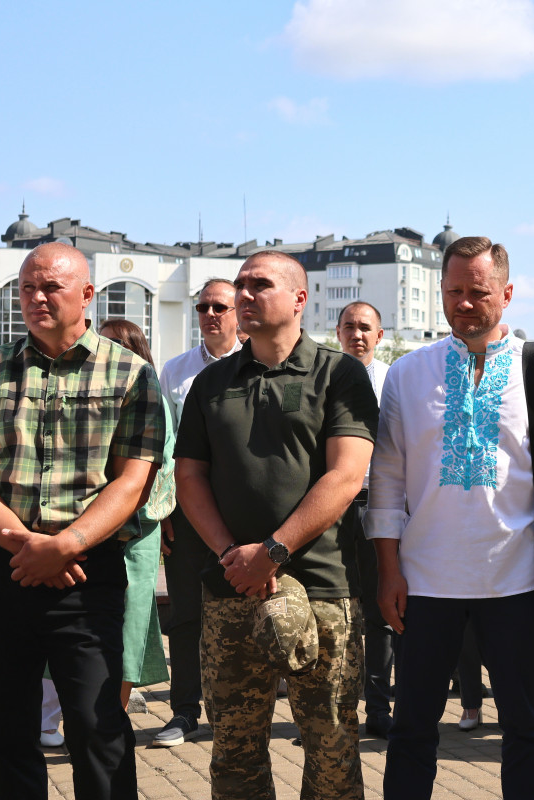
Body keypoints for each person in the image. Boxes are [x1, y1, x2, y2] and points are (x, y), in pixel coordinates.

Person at [367, 235, 534, 799]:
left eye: (478, 291)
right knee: (412, 727)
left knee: (526, 726)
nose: (464, 303)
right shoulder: (407, 374)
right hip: (425, 582)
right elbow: (387, 480)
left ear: (507, 293)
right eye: (453, 292)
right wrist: (389, 569)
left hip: (516, 581)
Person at [0, 242, 164, 799]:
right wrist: (29, 546)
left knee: (98, 726)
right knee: (3, 729)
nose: (36, 298)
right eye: (27, 288)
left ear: (87, 294)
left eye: (51, 287)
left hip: (86, 572)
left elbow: (132, 481)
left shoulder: (131, 374)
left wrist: (66, 544)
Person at [174, 250, 377, 799]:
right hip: (231, 589)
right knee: (234, 757)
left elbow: (345, 475)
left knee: (332, 755)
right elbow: (189, 476)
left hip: (323, 589)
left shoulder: (339, 373)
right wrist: (231, 556)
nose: (243, 294)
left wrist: (272, 552)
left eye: (259, 284)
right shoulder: (211, 383)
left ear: (299, 299)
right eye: (239, 284)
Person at [153, 277, 242, 747]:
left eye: (219, 307)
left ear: (238, 312)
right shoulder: (176, 370)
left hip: (242, 514)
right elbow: (163, 446)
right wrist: (165, 509)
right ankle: (185, 710)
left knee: (241, 612)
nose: (209, 314)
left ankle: (238, 712)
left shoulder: (255, 366)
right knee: (186, 613)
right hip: (187, 512)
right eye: (203, 306)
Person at [98, 320, 174, 709]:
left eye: (115, 343)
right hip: (91, 528)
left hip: (137, 530)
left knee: (132, 622)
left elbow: (165, 466)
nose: (105, 350)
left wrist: (159, 512)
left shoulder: (151, 396)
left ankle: (116, 713)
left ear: (134, 349)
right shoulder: (94, 392)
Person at [335, 300, 395, 738]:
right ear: (338, 332)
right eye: (349, 327)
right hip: (332, 507)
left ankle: (378, 708)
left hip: (381, 504)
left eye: (365, 327)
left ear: (379, 335)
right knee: (333, 610)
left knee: (380, 612)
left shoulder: (395, 381)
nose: (357, 334)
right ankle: (331, 714)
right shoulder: (324, 377)